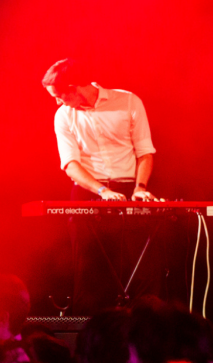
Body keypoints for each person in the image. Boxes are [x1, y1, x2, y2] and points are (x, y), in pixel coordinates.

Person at [41, 59, 167, 312]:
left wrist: (140, 188)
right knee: (88, 274)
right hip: (88, 192)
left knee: (142, 272)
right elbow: (70, 164)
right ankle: (89, 329)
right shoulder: (63, 116)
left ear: (74, 88)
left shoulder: (128, 101)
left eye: (59, 96)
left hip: (130, 189)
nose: (57, 102)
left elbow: (145, 152)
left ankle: (144, 327)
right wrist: (103, 191)